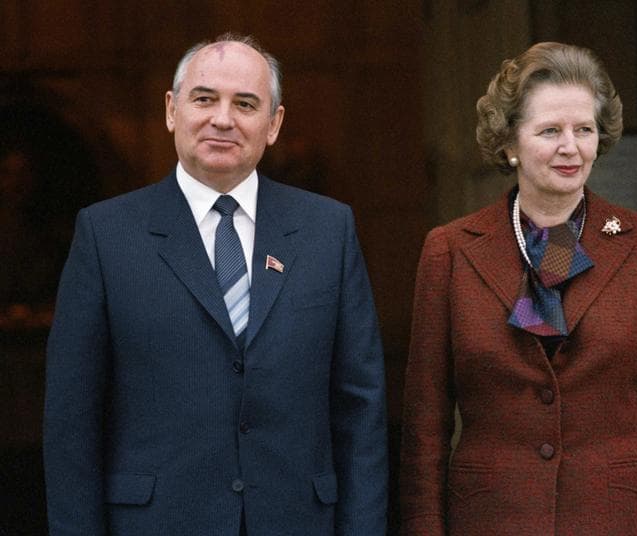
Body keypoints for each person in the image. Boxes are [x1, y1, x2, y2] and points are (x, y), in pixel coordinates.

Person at [44, 32, 388, 536]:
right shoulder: (106, 234)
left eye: (245, 104)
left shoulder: (326, 231)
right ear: (171, 111)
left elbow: (360, 410)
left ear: (273, 125)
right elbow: (72, 420)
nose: (222, 119)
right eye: (204, 99)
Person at [399, 42, 637, 535]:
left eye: (584, 129)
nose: (571, 147)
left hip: (620, 517)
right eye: (550, 131)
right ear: (510, 144)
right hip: (492, 519)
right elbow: (425, 422)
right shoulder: (451, 250)